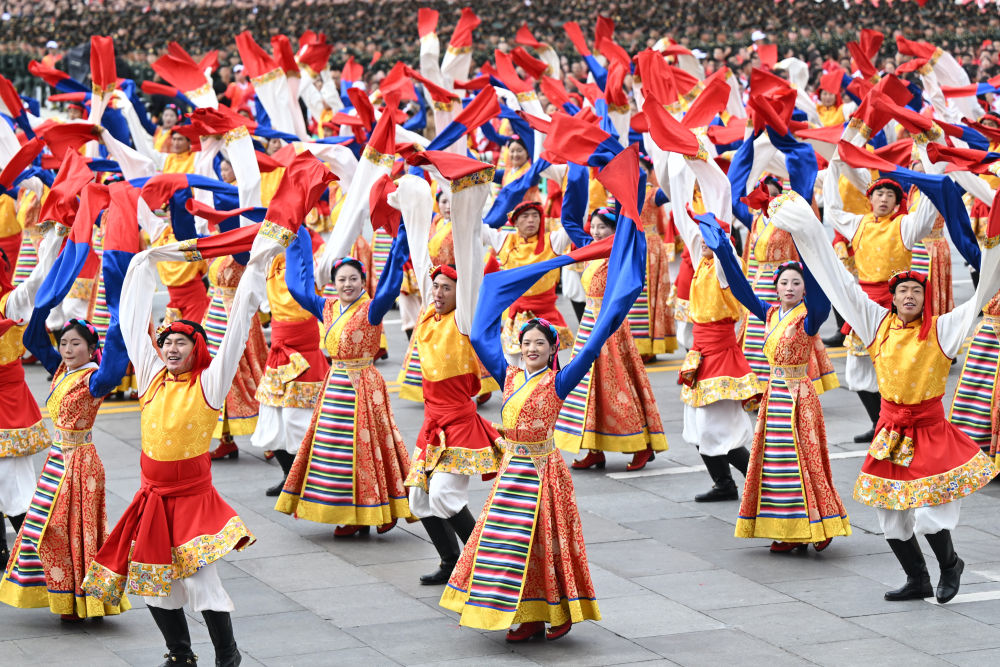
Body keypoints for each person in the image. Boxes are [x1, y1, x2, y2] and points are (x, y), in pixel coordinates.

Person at [82, 155, 333, 666]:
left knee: (201, 582)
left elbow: (237, 328)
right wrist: (141, 265)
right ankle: (180, 654)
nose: (171, 348)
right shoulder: (151, 377)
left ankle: (227, 655)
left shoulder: (209, 384)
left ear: (197, 350)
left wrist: (255, 269)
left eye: (181, 342)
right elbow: (131, 322)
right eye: (166, 342)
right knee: (154, 586)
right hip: (152, 498)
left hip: (192, 498)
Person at [770, 189, 999, 604]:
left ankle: (950, 565)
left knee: (930, 514)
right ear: (892, 298)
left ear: (925, 298)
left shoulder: (943, 329)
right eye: (902, 291)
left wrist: (994, 252)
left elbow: (981, 297)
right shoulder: (876, 324)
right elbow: (841, 283)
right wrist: (807, 230)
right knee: (890, 515)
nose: (909, 296)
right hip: (890, 432)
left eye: (916, 291)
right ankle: (917, 579)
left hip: (929, 431)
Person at [441, 203, 646, 642]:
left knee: (542, 543)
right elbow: (478, 336)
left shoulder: (559, 380)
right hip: (510, 473)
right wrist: (493, 287)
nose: (532, 348)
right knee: (505, 543)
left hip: (542, 473)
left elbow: (591, 347)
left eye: (540, 343)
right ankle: (523, 613)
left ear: (553, 350)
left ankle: (553, 613)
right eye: (527, 342)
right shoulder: (510, 375)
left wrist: (613, 308)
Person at [701, 216, 851, 553]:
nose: (790, 287)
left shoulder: (809, 317)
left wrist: (805, 243)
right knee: (777, 464)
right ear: (776, 287)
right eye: (784, 282)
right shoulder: (769, 314)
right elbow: (740, 286)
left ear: (804, 288)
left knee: (804, 461)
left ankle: (817, 524)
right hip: (775, 399)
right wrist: (722, 249)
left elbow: (822, 302)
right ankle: (787, 529)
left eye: (797, 283)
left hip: (800, 397)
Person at [275, 242, 412, 537]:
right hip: (335, 384)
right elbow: (297, 288)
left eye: (353, 279)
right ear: (333, 283)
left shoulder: (371, 308)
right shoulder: (327, 307)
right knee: (333, 450)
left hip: (364, 385)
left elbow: (390, 286)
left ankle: (373, 509)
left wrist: (400, 242)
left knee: (367, 449)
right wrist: (295, 240)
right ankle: (350, 510)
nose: (347, 284)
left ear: (362, 281)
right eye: (341, 280)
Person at [0, 320, 131, 619]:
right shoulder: (63, 370)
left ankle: (81, 600)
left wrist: (117, 316)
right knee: (52, 530)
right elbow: (33, 339)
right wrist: (45, 303)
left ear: (92, 349)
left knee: (71, 531)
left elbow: (114, 361)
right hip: (58, 461)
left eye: (76, 344)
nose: (68, 349)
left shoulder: (94, 378)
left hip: (80, 463)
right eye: (64, 343)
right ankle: (66, 597)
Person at [405, 265, 501, 585]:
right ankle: (450, 562)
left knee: (444, 495)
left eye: (446, 287)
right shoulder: (426, 317)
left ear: (461, 293)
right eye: (435, 286)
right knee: (419, 497)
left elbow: (469, 269)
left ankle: (483, 564)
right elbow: (421, 258)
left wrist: (463, 233)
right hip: (432, 425)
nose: (438, 293)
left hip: (459, 424)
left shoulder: (464, 320)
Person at [825, 176, 937, 443]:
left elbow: (924, 219)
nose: (884, 199)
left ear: (897, 202)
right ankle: (879, 424)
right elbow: (831, 210)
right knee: (857, 368)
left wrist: (930, 178)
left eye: (890, 195)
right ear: (870, 200)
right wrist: (836, 165)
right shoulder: (858, 223)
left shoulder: (903, 225)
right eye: (879, 194)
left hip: (895, 306)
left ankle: (900, 425)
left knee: (897, 368)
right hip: (865, 305)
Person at [555, 208, 668, 471]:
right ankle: (594, 449)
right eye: (593, 226)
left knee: (618, 387)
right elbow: (570, 222)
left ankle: (640, 445)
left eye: (602, 227)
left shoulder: (620, 255)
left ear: (615, 231)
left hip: (610, 325)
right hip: (589, 324)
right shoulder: (592, 251)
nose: (596, 232)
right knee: (587, 387)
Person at [0, 221, 63, 571]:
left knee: (16, 486)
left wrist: (54, 237)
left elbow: (39, 280)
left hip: (6, 407)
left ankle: (41, 559)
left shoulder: (9, 303)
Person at [250, 247, 329, 497]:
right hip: (279, 355)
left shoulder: (313, 265)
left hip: (305, 356)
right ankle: (289, 476)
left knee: (301, 421)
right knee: (272, 420)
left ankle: (311, 477)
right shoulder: (267, 264)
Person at [483, 201, 572, 361]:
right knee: (514, 367)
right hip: (517, 316)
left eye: (535, 215)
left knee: (546, 368)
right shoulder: (504, 241)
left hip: (545, 316)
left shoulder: (553, 241)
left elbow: (573, 224)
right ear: (515, 221)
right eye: (525, 216)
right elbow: (476, 228)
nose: (531, 220)